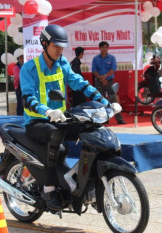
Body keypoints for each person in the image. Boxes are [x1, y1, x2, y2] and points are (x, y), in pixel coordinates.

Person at [20, 24, 121, 210]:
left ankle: (83, 180)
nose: (59, 50)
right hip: (37, 122)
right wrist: (47, 111)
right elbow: (28, 98)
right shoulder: (29, 68)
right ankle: (49, 188)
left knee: (91, 127)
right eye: (55, 46)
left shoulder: (63, 64)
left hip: (61, 118)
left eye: (61, 46)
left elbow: (81, 84)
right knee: (54, 136)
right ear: (44, 43)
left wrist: (106, 102)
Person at [92, 41, 126, 124]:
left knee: (114, 100)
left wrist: (105, 77)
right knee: (100, 101)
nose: (104, 49)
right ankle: (103, 119)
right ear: (99, 48)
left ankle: (120, 119)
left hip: (109, 82)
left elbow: (113, 69)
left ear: (108, 48)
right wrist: (101, 78)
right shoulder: (95, 59)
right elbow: (94, 70)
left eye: (106, 47)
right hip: (99, 82)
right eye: (102, 47)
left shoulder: (112, 58)